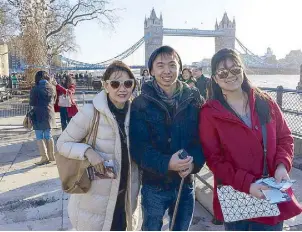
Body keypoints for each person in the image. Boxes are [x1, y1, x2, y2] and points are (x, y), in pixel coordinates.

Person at [199, 48, 302, 231]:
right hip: (237, 196)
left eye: (235, 69)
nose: (230, 75)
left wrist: (281, 165)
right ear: (214, 78)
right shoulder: (209, 113)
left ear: (242, 70)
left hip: (271, 193)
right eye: (222, 72)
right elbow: (214, 160)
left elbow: (285, 138)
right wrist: (248, 185)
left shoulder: (266, 101)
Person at [56, 61, 140, 231]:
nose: (122, 88)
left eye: (128, 83)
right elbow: (62, 143)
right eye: (115, 84)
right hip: (95, 202)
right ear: (106, 86)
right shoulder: (90, 112)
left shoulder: (138, 113)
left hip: (126, 198)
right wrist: (87, 152)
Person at [129, 46, 205, 231]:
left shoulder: (194, 99)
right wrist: (167, 163)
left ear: (180, 67)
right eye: (160, 65)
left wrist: (193, 164)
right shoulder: (140, 103)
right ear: (151, 70)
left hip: (185, 183)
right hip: (154, 185)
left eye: (172, 64)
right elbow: (138, 148)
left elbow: (203, 140)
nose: (167, 71)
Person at [30, 71, 56, 165]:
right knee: (48, 135)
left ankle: (44, 157)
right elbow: (54, 100)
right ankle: (52, 156)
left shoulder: (35, 88)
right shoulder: (52, 88)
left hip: (38, 114)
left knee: (39, 136)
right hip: (49, 114)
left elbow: (32, 103)